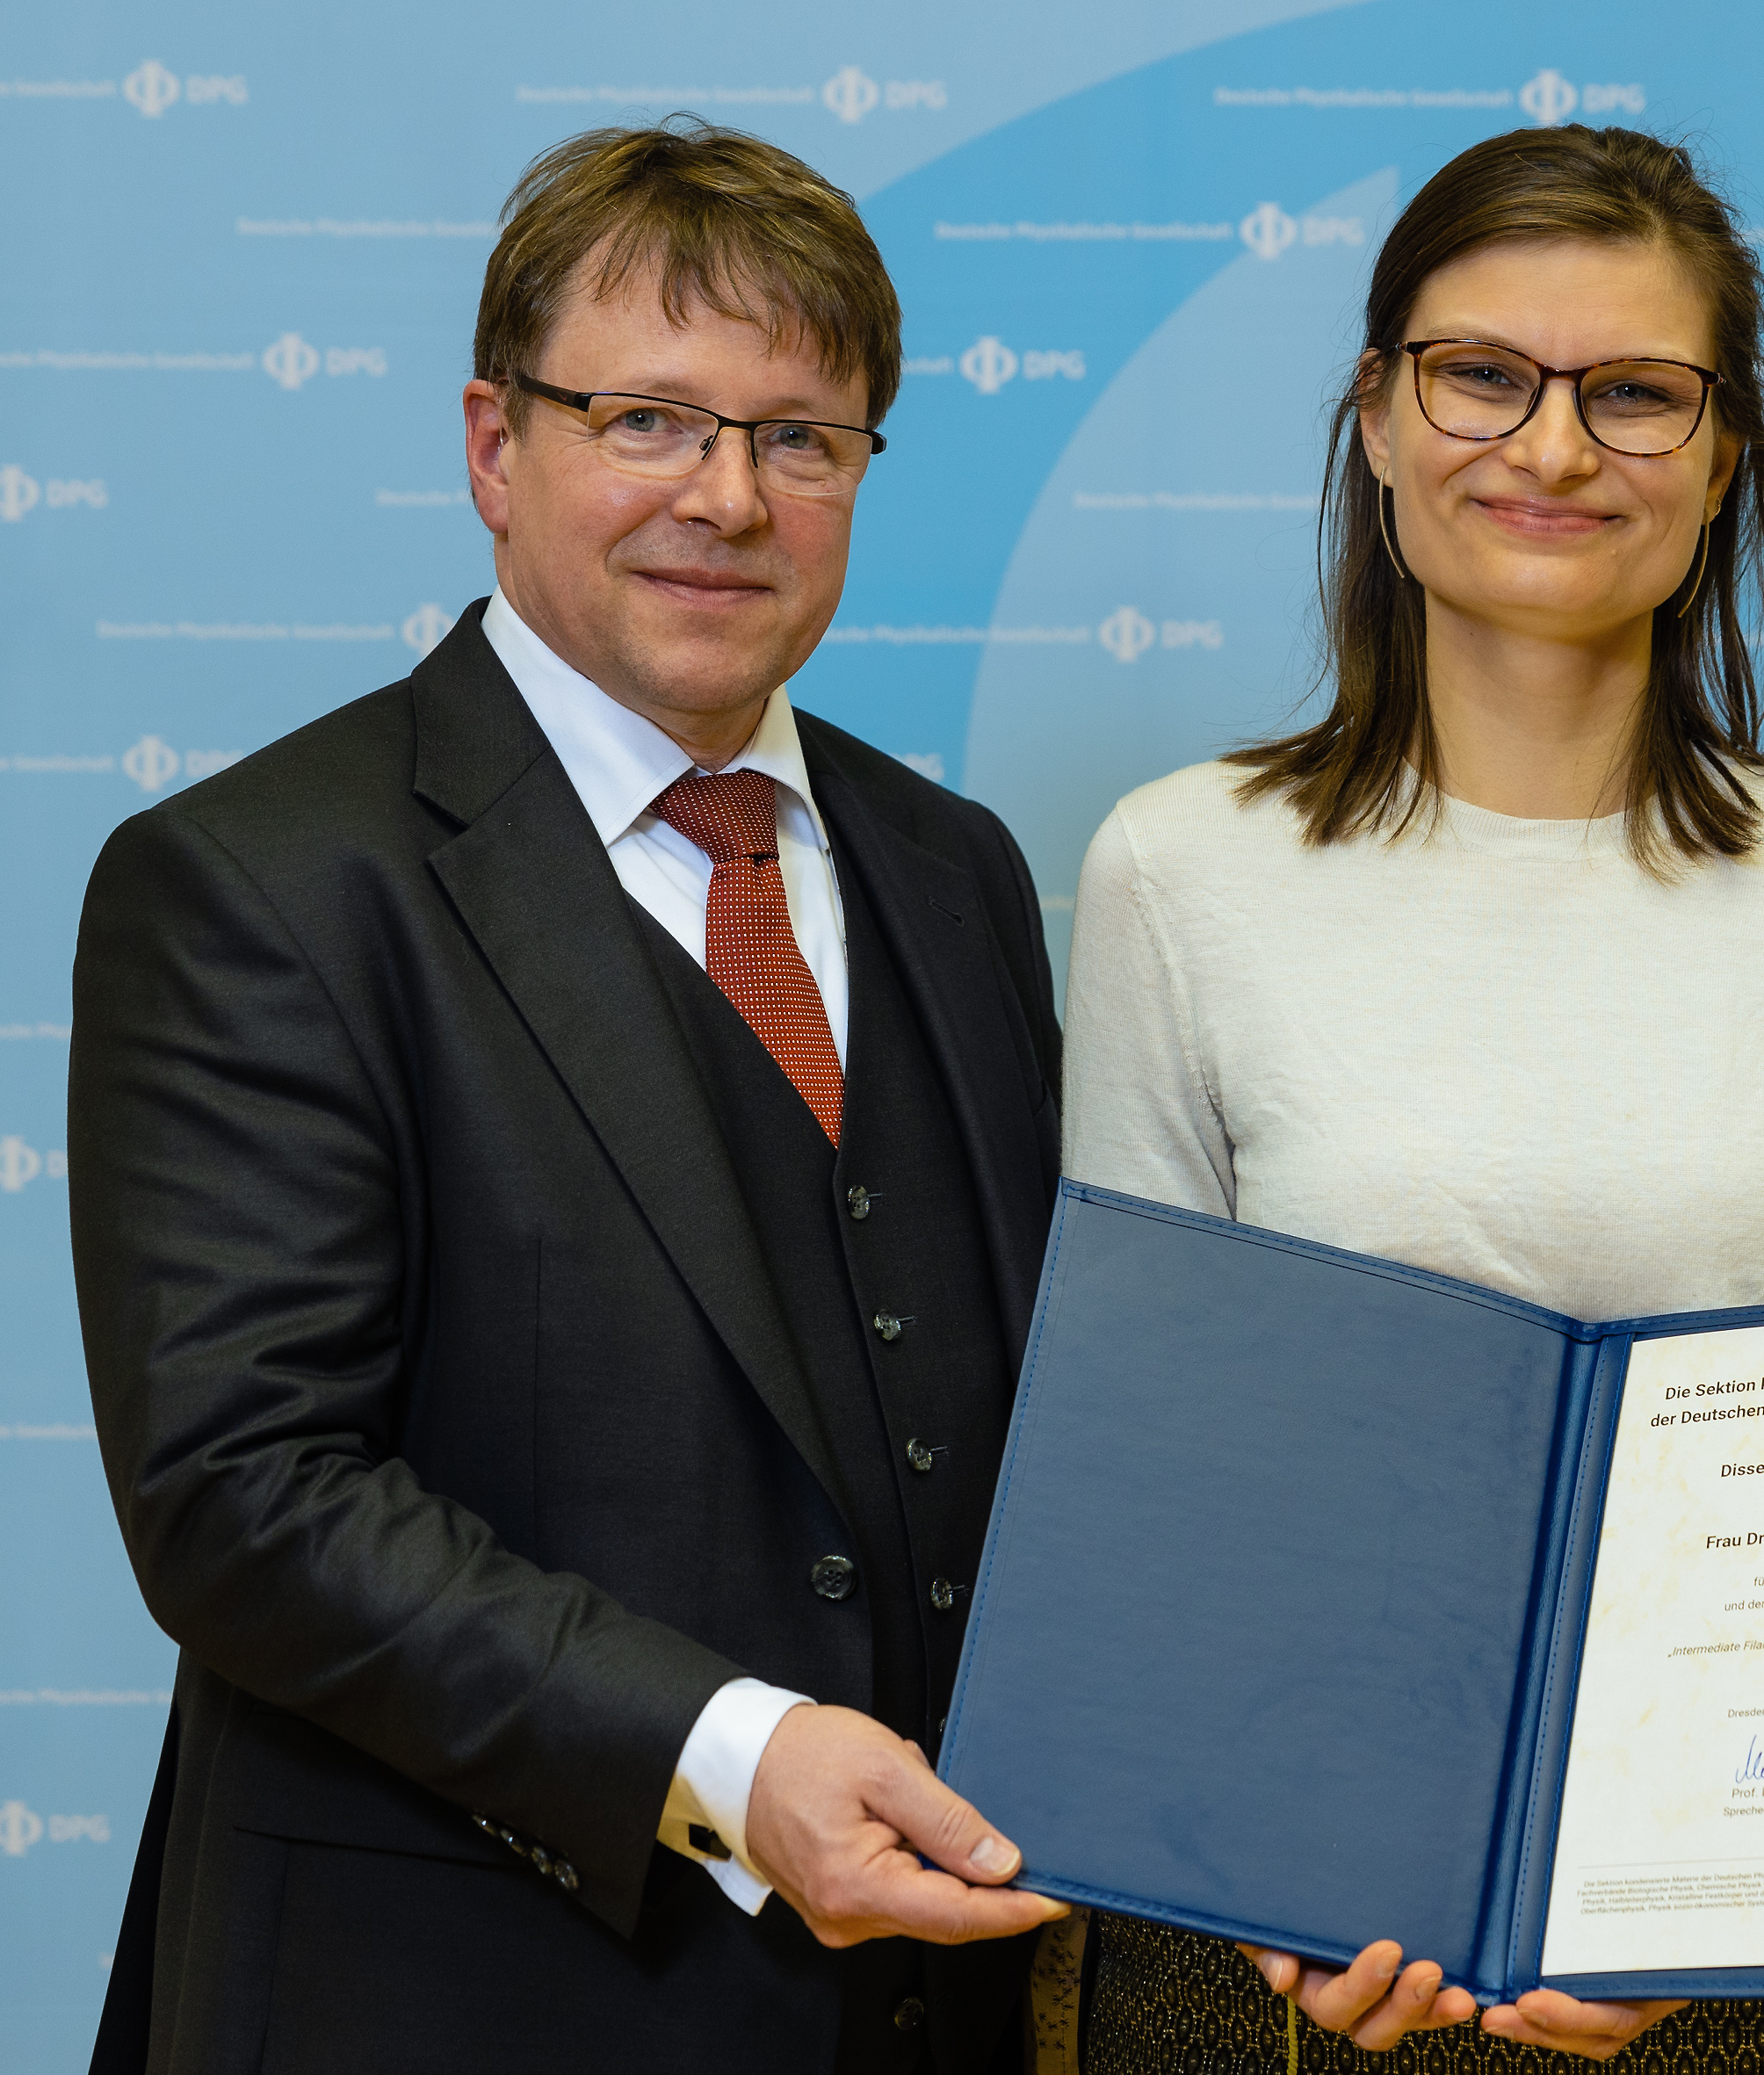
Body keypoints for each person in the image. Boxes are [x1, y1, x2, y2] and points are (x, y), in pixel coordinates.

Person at [74, 120, 1073, 2073]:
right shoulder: (259, 881)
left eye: (801, 438)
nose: (729, 496)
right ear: (492, 448)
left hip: (932, 2004)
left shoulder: (955, 870)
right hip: (443, 2001)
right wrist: (731, 1751)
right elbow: (243, 1494)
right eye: (649, 420)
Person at [1059, 125, 1764, 2071]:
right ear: (1377, 415)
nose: (1554, 448)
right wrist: (1297, 1871)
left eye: (1635, 393)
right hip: (1285, 1933)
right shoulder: (1176, 868)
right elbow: (1158, 1482)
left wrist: (1711, 1904)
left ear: (1723, 452)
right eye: (1481, 374)